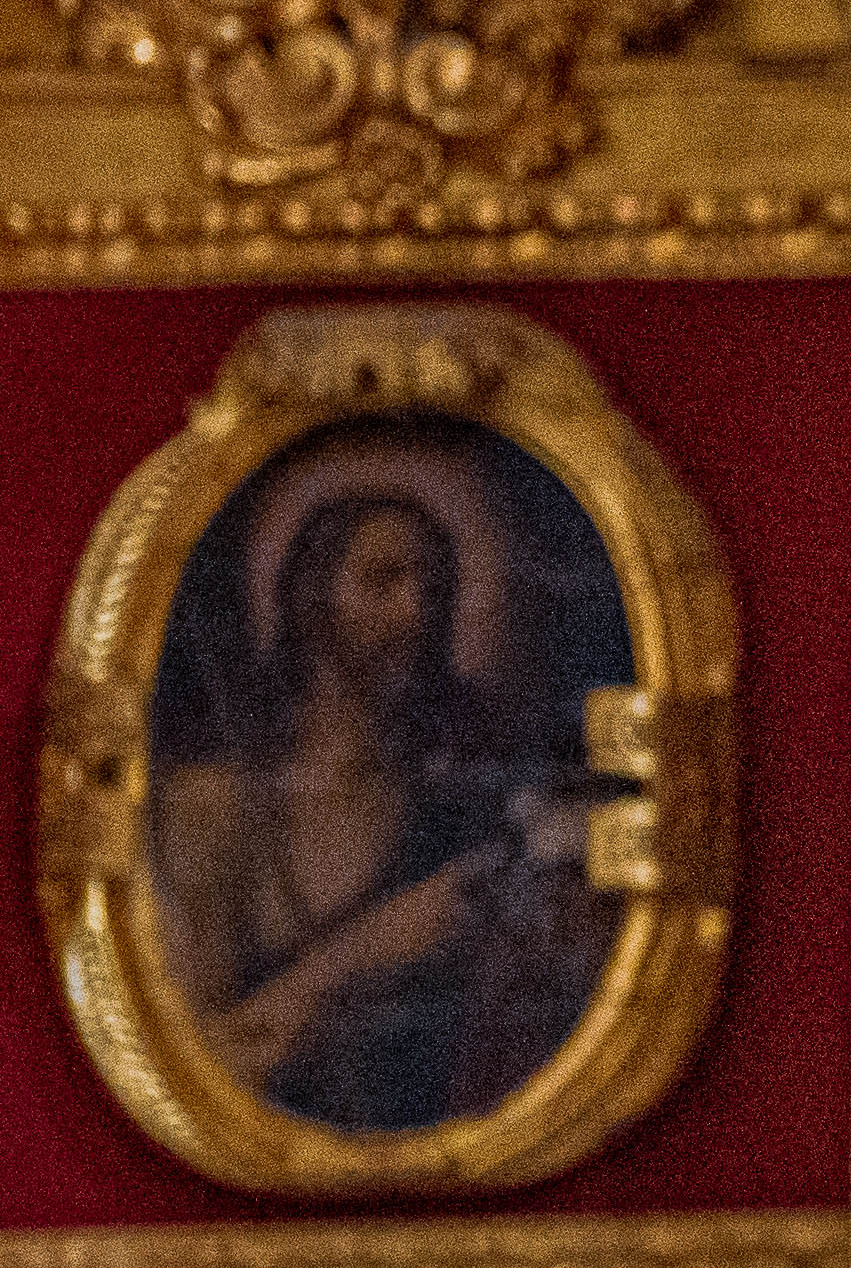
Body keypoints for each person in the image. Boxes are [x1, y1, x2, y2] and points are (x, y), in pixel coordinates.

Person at [149, 466, 601, 1137]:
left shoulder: (463, 800)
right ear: (310, 596)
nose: (416, 612)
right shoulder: (221, 806)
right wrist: (366, 949)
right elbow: (200, 1072)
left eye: (433, 586)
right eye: (383, 581)